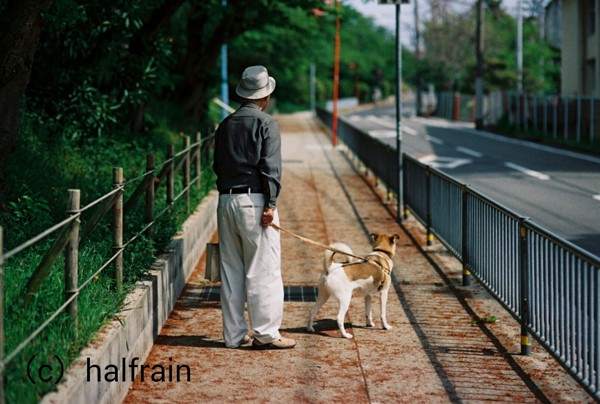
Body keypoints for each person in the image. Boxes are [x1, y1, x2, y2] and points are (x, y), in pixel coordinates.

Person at [213, 65, 296, 350]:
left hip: (225, 201)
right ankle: (266, 334)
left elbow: (216, 165)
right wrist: (270, 204)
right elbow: (270, 168)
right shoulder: (266, 123)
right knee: (264, 270)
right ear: (265, 96)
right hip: (255, 200)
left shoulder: (225, 124)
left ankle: (234, 336)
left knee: (231, 269)